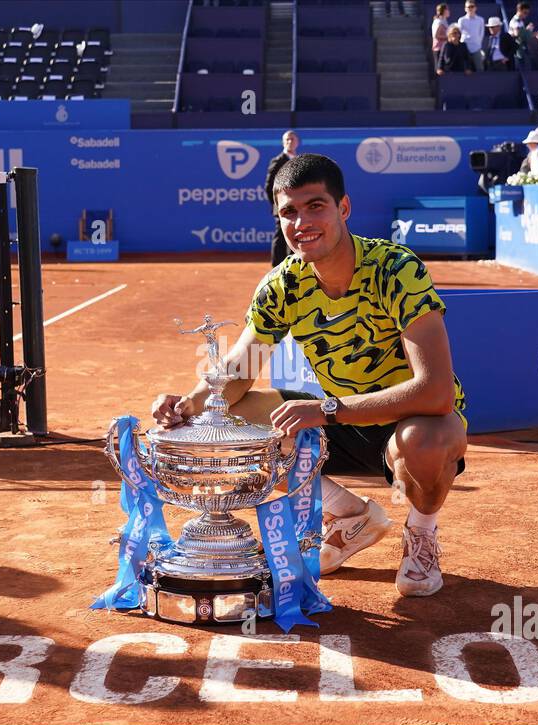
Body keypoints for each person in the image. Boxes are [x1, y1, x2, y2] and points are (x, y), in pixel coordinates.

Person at [152, 154, 468, 597]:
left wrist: (325, 410)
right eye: (289, 212)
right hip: (340, 418)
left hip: (413, 420)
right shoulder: (282, 284)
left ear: (344, 209)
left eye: (315, 206)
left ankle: (421, 533)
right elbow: (237, 375)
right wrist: (187, 406)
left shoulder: (397, 268)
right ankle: (348, 514)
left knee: (423, 442)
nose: (302, 222)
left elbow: (434, 391)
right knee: (234, 417)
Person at [264, 130, 300, 267]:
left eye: (292, 139)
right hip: (283, 207)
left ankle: (292, 265)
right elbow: (269, 186)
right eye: (287, 139)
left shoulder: (298, 160)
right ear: (283, 142)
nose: (290, 142)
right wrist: (278, 205)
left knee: (295, 233)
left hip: (297, 206)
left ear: (297, 142)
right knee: (281, 235)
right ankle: (276, 267)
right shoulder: (277, 161)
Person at [456, 1, 485, 72]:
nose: (470, 8)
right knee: (464, 68)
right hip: (465, 47)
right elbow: (459, 33)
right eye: (468, 7)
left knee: (480, 68)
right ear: (465, 9)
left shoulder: (480, 20)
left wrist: (478, 44)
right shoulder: (461, 20)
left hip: (476, 48)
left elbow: (481, 33)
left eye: (472, 6)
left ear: (475, 8)